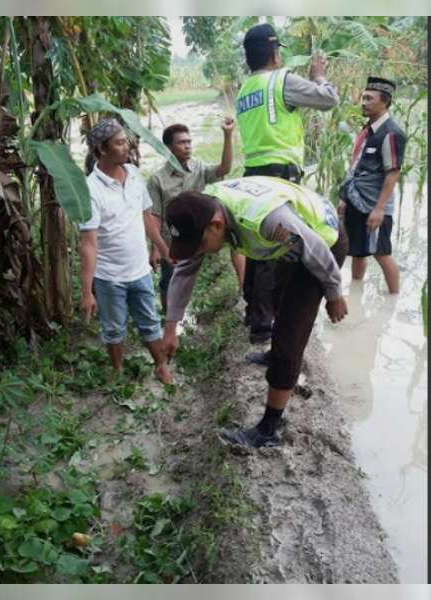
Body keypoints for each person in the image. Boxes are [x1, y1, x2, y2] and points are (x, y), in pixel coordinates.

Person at [162, 176, 349, 448]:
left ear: (216, 226)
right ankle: (273, 355)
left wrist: (334, 293)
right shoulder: (203, 209)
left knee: (290, 331)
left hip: (324, 243)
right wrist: (170, 327)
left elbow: (315, 249)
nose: (196, 252)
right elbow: (184, 270)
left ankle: (268, 429)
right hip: (292, 243)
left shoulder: (268, 221)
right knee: (275, 293)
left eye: (198, 245)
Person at [236, 23, 340, 344]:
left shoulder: (245, 89)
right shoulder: (281, 81)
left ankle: (254, 311)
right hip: (279, 174)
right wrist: (320, 75)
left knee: (256, 241)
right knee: (278, 244)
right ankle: (265, 325)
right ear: (275, 54)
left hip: (252, 172)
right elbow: (329, 99)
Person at [78, 118, 173, 384]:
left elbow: (147, 218)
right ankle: (117, 371)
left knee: (150, 322)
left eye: (126, 141)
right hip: (109, 276)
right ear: (101, 150)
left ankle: (161, 366)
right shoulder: (90, 189)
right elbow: (88, 243)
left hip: (140, 269)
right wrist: (87, 292)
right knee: (114, 329)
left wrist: (162, 250)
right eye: (119, 143)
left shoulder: (133, 174)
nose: (127, 146)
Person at [147, 119, 245, 313]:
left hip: (203, 235)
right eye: (182, 143)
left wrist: (227, 135)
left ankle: (243, 289)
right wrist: (156, 248)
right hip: (174, 240)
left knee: (237, 243)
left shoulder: (199, 168)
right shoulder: (157, 179)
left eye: (189, 142)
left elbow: (223, 169)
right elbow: (155, 216)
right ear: (168, 148)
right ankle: (171, 320)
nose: (187, 146)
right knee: (170, 281)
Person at [338, 76, 407, 294]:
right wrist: (344, 198)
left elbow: (393, 173)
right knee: (357, 251)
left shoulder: (392, 134)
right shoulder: (367, 130)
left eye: (369, 98)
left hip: (375, 206)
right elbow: (355, 164)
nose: (364, 102)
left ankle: (393, 301)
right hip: (355, 200)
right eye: (363, 97)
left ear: (384, 102)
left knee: (381, 253)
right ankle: (355, 292)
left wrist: (379, 209)